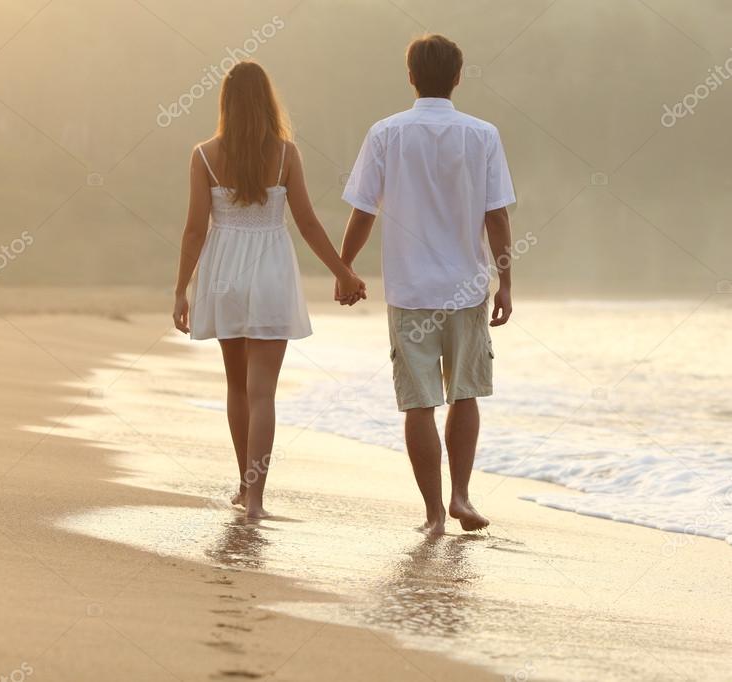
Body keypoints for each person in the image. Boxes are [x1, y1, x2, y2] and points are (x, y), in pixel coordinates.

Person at [339, 34, 516, 534]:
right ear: (458, 77)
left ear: (411, 75)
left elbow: (363, 210)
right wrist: (505, 282)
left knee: (419, 403)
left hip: (411, 290)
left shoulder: (385, 134)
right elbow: (496, 216)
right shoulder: (483, 134)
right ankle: (461, 495)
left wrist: (345, 268)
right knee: (465, 394)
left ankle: (434, 514)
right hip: (466, 286)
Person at [172, 60, 366, 519]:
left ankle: (243, 486)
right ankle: (256, 498)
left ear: (225, 103)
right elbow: (308, 223)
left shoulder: (203, 155)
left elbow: (194, 231)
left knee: (237, 388)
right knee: (263, 393)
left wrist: (181, 290)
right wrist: (343, 272)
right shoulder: (285, 154)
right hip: (272, 272)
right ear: (267, 101)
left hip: (223, 275)